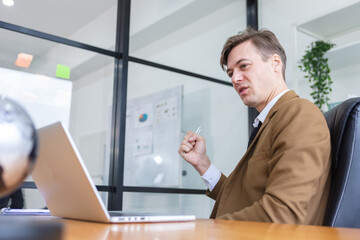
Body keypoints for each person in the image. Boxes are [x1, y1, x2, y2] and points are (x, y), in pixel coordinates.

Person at [178, 27, 331, 225]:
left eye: (244, 66)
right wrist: (203, 164)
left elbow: (283, 213)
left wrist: (203, 230)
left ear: (276, 63)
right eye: (231, 72)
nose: (234, 78)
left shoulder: (299, 114)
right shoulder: (268, 121)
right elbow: (245, 197)